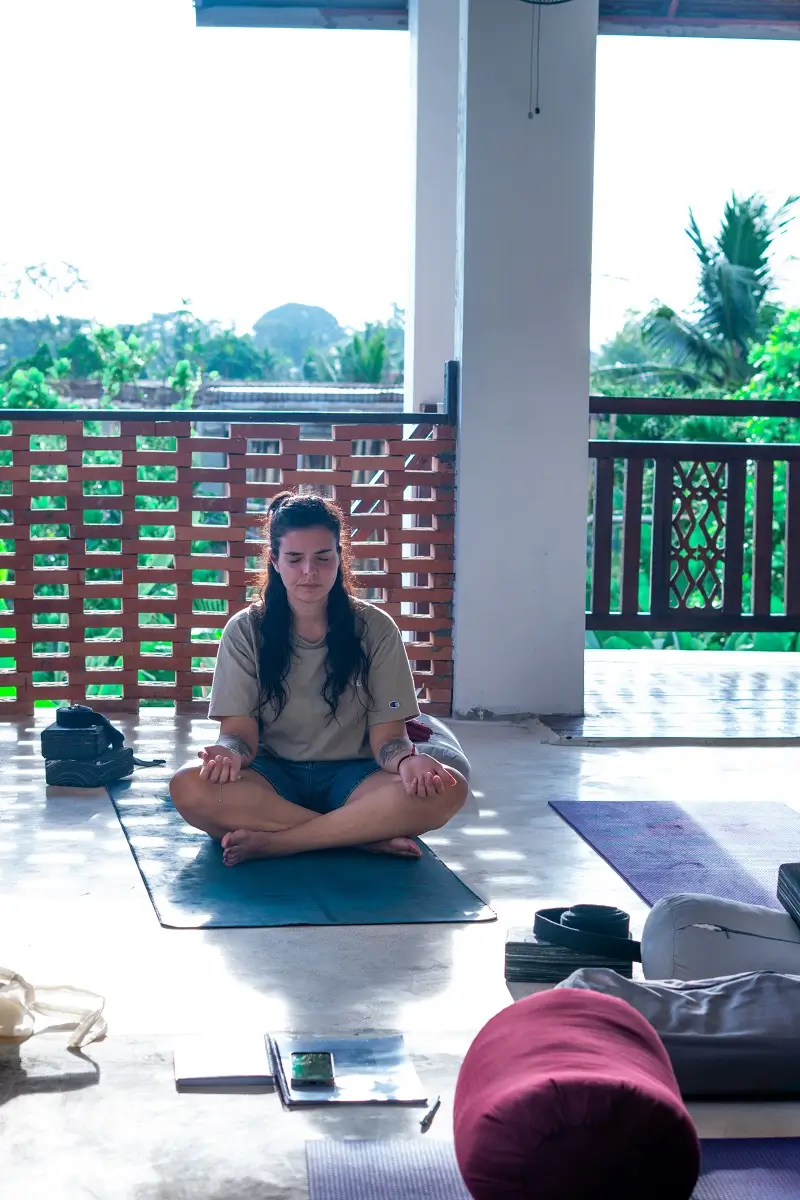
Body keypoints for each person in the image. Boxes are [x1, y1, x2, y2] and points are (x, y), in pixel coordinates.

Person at [170, 490, 467, 865]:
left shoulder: (376, 628)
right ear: (275, 561)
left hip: (355, 778)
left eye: (323, 558)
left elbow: (389, 739)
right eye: (295, 559)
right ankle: (359, 837)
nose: (309, 572)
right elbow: (239, 735)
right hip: (271, 778)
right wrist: (228, 753)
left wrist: (409, 761)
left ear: (340, 559)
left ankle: (283, 841)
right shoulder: (245, 630)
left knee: (449, 789)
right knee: (189, 786)